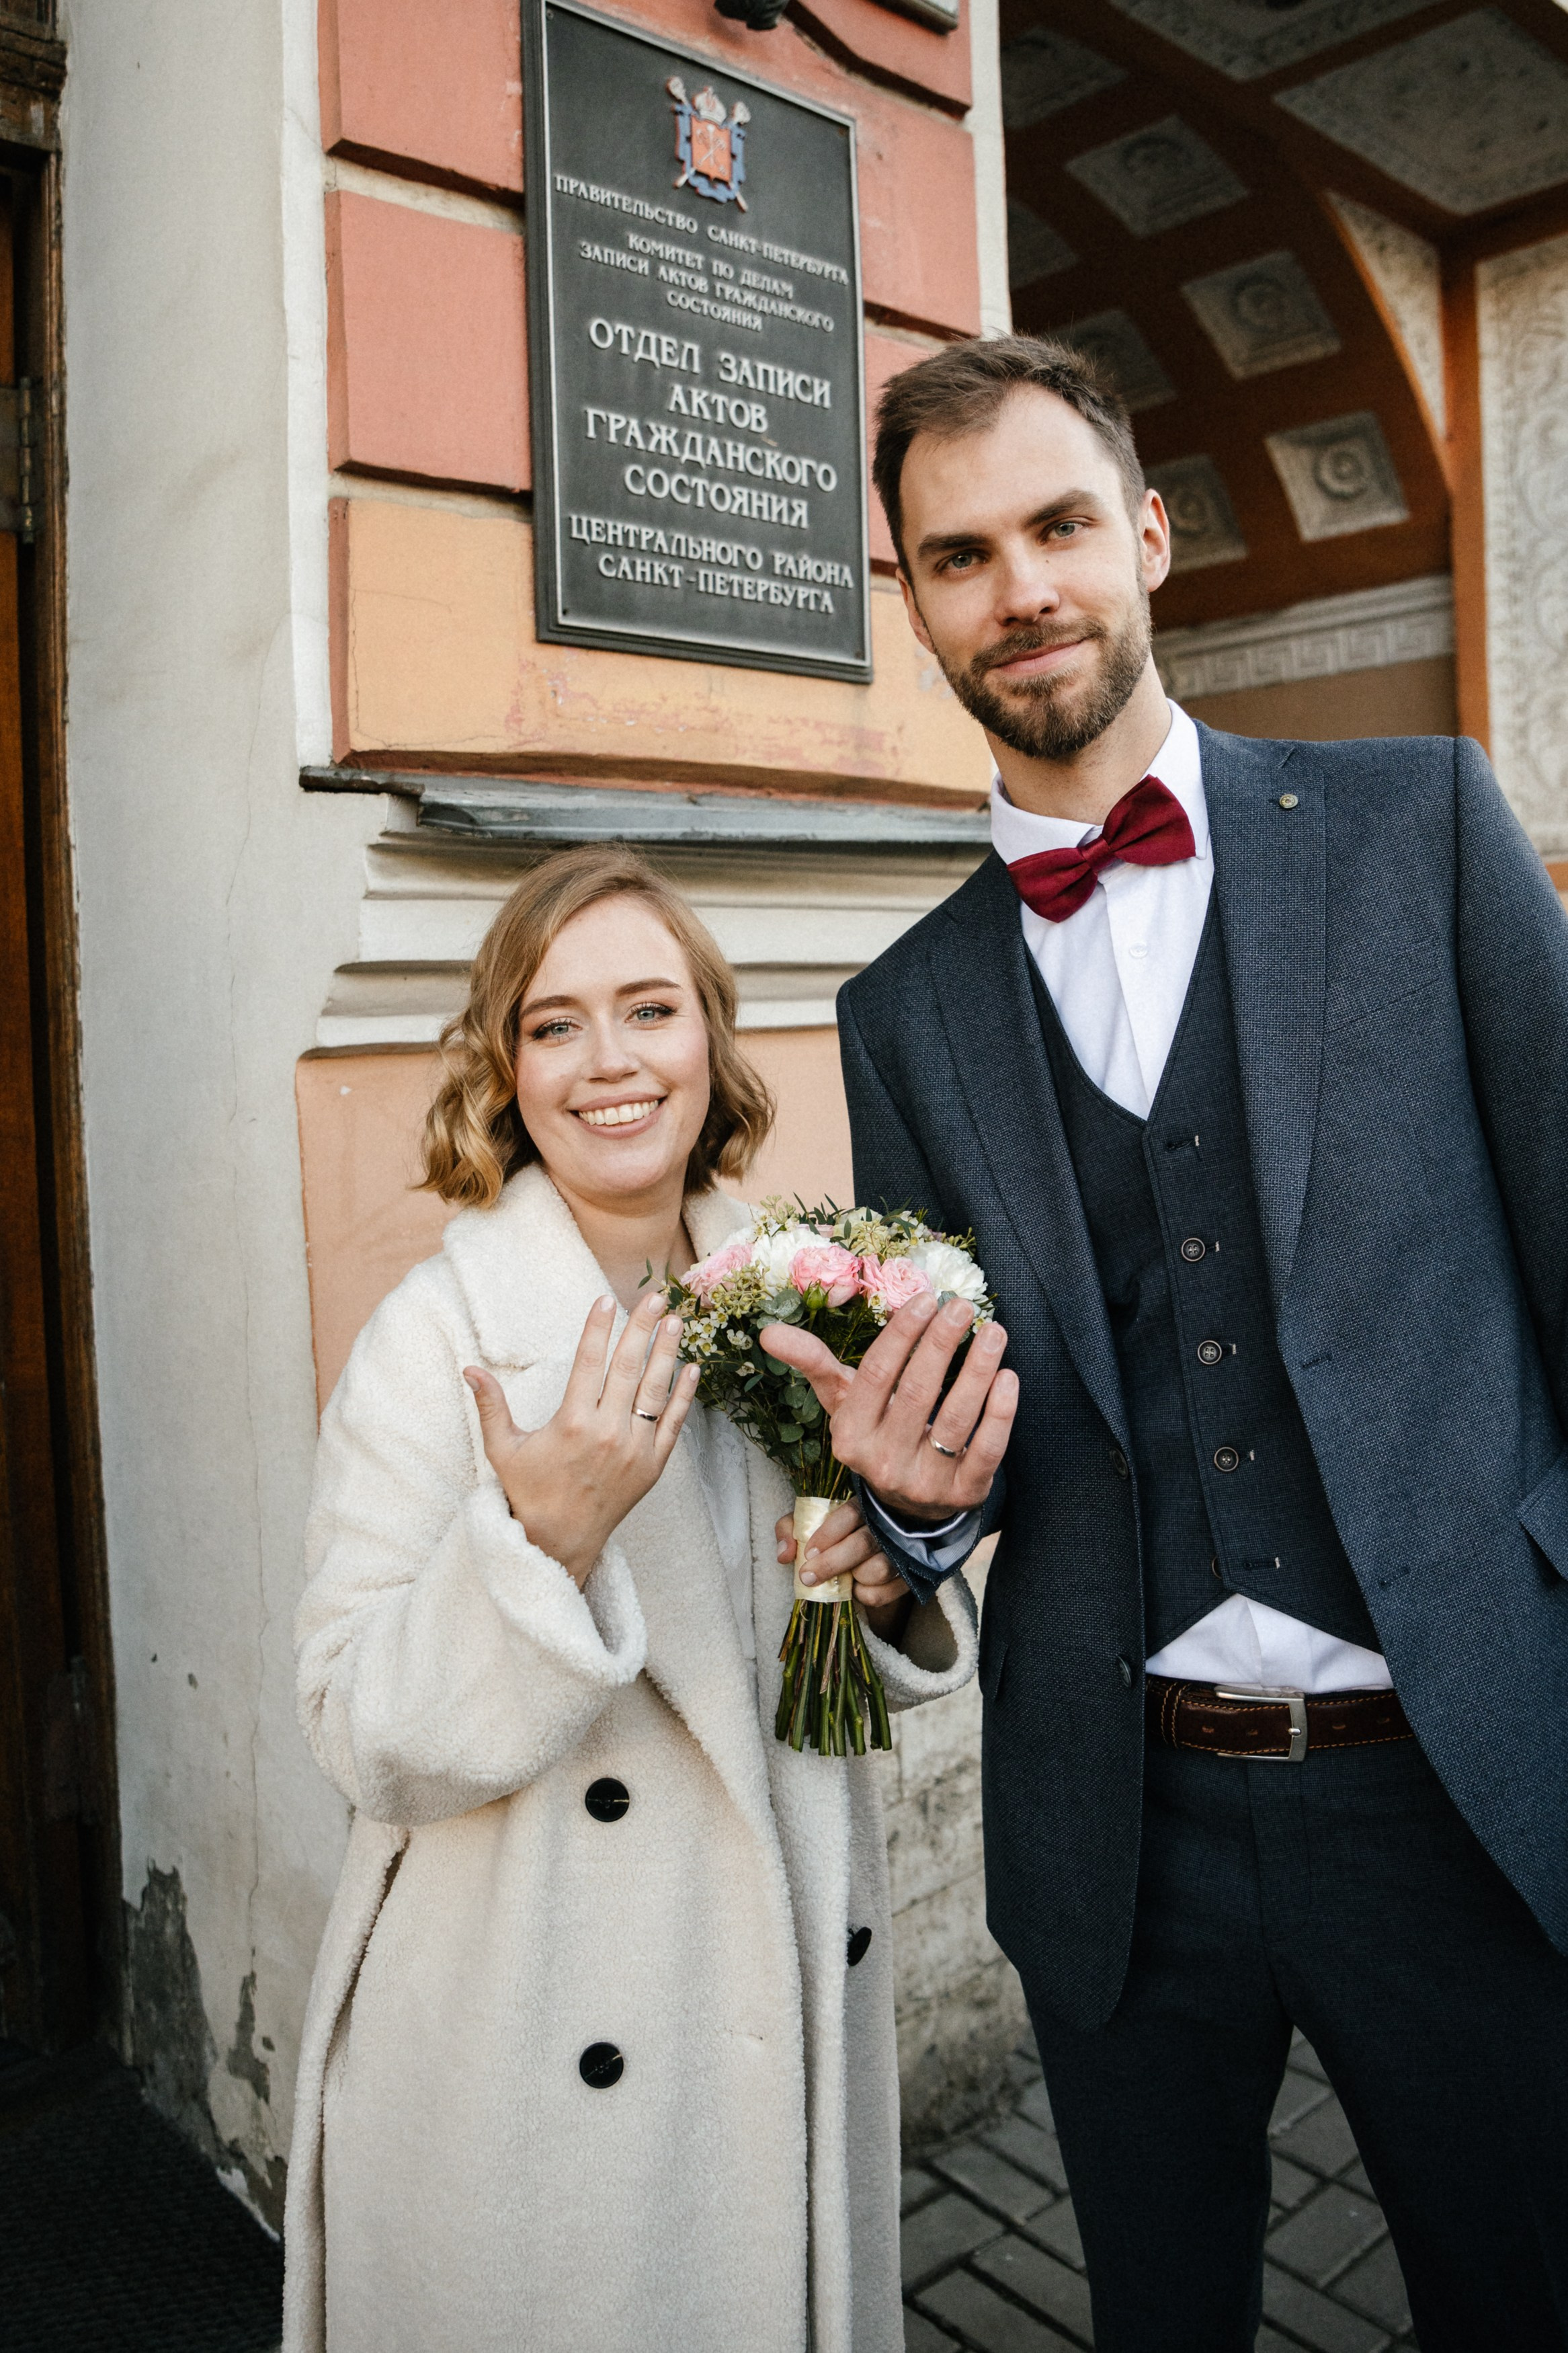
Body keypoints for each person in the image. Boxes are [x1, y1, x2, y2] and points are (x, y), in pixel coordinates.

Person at [762, 335, 1568, 2353]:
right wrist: (909, 1511)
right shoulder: (901, 1007)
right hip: (1120, 1819)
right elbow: (961, 1427)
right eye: (956, 556)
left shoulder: (1417, 827)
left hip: (1456, 1777)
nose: (1016, 587)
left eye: (1052, 527)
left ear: (1143, 534)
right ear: (913, 602)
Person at [280, 846, 978, 2353]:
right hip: (536, 2069)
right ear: (506, 1067)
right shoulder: (437, 1339)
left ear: (709, 1044)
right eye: (555, 1023)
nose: (611, 1062)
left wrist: (900, 1554)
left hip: (774, 1993)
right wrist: (540, 1548)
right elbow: (356, 1733)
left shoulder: (796, 1300)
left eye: (651, 1010)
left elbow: (835, 1650)